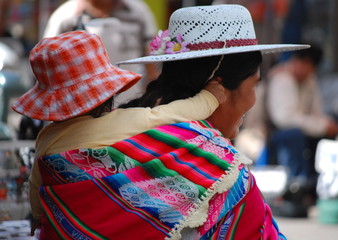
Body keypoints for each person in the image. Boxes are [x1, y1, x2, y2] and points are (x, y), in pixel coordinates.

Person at [14, 4, 308, 239]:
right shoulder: (217, 168)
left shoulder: (49, 143)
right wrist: (208, 99)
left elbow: (40, 205)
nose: (254, 100)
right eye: (254, 85)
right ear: (218, 87)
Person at [11, 30, 226, 238]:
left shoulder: (46, 138)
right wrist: (210, 97)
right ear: (107, 91)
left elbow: (35, 185)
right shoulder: (127, 121)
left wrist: (38, 215)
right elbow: (173, 114)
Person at [264, 45, 338, 216]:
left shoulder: (310, 79)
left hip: (302, 131)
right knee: (295, 135)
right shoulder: (281, 78)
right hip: (277, 135)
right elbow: (284, 119)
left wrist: (327, 125)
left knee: (329, 132)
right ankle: (297, 185)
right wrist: (321, 126)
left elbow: (316, 112)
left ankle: (319, 188)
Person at [42, 0, 159, 105]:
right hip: (81, 110)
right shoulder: (64, 17)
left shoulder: (138, 11)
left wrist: (152, 96)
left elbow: (151, 60)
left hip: (131, 105)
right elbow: (47, 67)